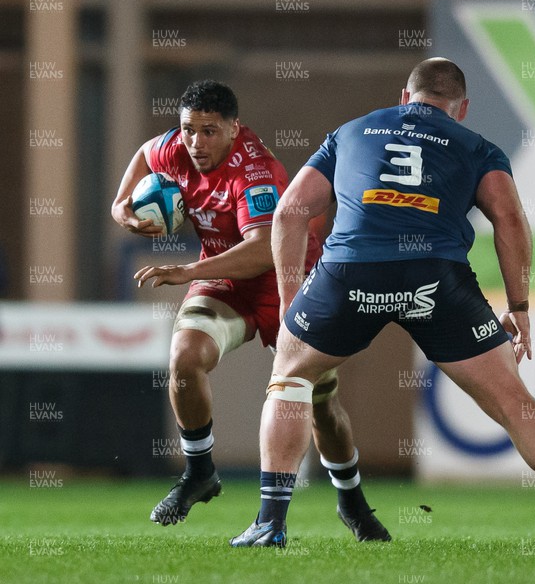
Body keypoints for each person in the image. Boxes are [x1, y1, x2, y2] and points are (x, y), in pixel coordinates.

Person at [230, 58, 535, 549]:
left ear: (405, 97)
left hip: (350, 273)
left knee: (292, 377)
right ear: (461, 109)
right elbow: (510, 220)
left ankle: (270, 523)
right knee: (515, 402)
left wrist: (290, 300)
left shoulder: (352, 130)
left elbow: (291, 212)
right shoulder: (477, 147)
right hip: (436, 278)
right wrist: (520, 305)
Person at [111, 80, 390, 543]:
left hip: (289, 279)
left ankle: (352, 502)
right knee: (184, 358)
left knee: (320, 403)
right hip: (224, 278)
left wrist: (187, 271)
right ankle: (200, 472)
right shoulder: (175, 149)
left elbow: (263, 249)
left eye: (209, 131)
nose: (196, 143)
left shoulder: (255, 172)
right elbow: (145, 153)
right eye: (189, 130)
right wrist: (122, 209)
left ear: (233, 128)